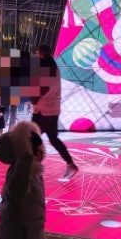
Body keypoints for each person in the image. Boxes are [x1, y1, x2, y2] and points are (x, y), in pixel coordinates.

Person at [32, 44, 79, 180]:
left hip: (42, 111)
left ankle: (32, 169)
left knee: (31, 140)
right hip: (53, 111)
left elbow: (38, 93)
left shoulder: (43, 69)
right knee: (53, 139)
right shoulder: (55, 67)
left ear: (40, 54)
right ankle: (70, 164)